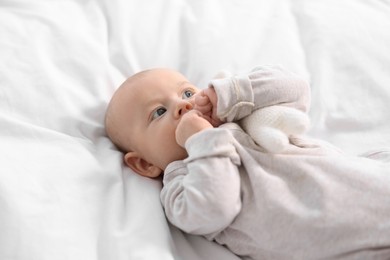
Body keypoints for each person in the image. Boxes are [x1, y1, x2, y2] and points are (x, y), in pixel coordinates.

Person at [105, 66, 390, 260]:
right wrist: (202, 141)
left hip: (368, 178)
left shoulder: (239, 118)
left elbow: (297, 91)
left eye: (187, 93)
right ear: (144, 165)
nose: (184, 105)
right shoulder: (181, 185)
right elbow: (214, 208)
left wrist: (231, 94)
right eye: (158, 112)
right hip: (356, 243)